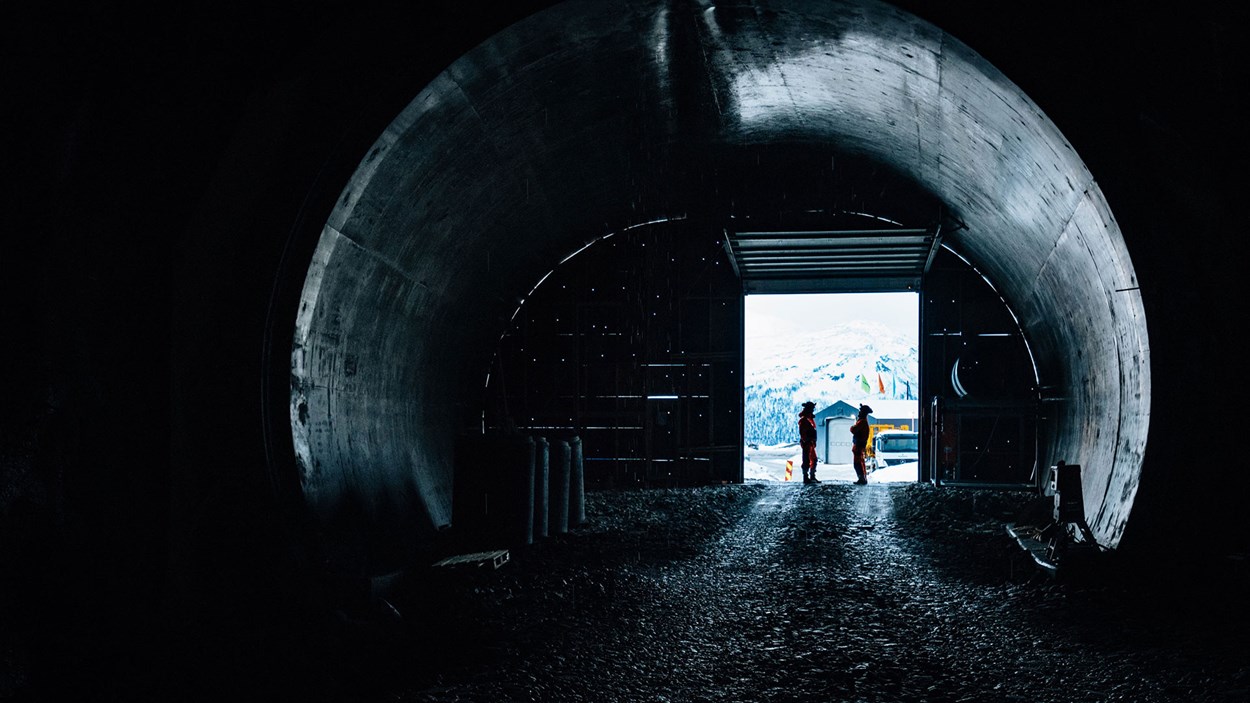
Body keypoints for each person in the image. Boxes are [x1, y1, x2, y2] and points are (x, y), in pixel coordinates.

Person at [850, 404, 872, 485]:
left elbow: (853, 430)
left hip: (858, 445)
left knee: (858, 463)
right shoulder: (863, 421)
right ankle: (862, 478)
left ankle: (861, 478)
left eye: (860, 411)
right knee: (860, 462)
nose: (859, 412)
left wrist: (852, 427)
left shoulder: (862, 422)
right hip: (860, 445)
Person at [798, 401, 819, 483]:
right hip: (807, 443)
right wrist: (806, 440)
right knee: (806, 460)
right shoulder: (804, 420)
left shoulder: (809, 419)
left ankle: (812, 476)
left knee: (813, 459)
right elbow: (803, 432)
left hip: (811, 443)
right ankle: (806, 476)